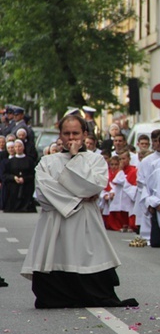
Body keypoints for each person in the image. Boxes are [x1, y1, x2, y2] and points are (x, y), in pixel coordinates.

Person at [21, 114, 138, 308]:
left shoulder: (95, 160)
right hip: (55, 224)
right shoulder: (47, 162)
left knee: (87, 258)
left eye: (75, 133)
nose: (71, 138)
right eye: (66, 133)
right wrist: (79, 196)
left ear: (84, 134)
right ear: (60, 135)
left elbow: (94, 186)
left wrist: (75, 160)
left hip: (85, 221)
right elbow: (44, 193)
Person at [107, 150, 138, 232]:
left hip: (129, 194)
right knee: (120, 209)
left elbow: (123, 181)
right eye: (120, 159)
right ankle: (123, 224)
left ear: (129, 159)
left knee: (128, 209)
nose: (122, 161)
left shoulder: (133, 170)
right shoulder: (118, 170)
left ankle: (130, 225)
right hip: (119, 194)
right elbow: (115, 181)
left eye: (124, 159)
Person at [2, 140, 36, 212]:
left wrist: (24, 179)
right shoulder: (9, 161)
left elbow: (33, 174)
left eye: (19, 146)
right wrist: (13, 177)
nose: (18, 148)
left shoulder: (29, 160)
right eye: (16, 147)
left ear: (23, 147)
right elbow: (5, 175)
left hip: (26, 186)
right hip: (13, 186)